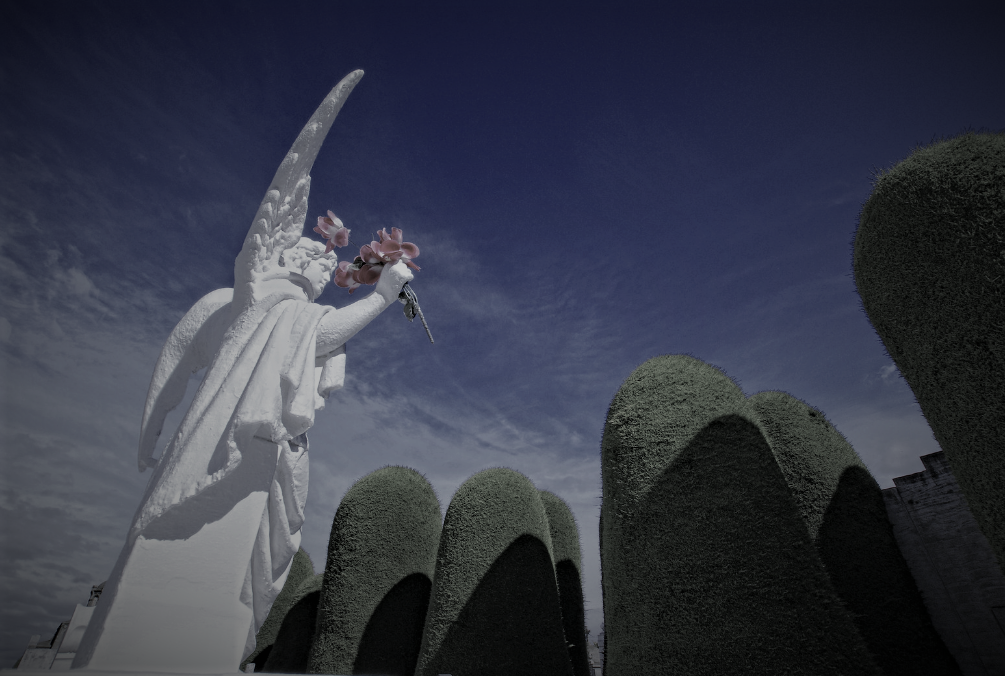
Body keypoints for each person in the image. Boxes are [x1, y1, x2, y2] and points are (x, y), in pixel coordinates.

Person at [72, 69, 413, 672]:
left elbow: (314, 338)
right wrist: (382, 296)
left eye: (326, 263)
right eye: (313, 257)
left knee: (235, 566)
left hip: (261, 445)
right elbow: (321, 333)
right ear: (284, 258)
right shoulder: (269, 305)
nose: (323, 266)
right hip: (237, 444)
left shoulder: (270, 309)